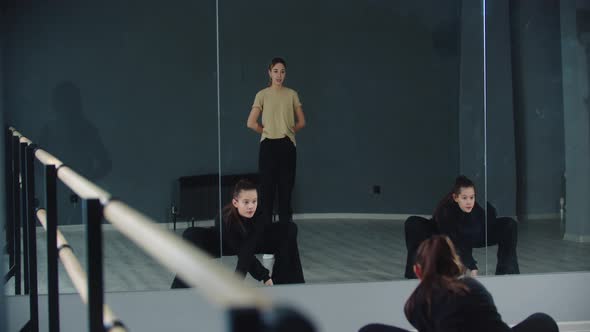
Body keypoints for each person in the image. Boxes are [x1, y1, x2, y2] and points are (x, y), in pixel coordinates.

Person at [359, 235, 558, 332]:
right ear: (455, 265)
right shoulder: (473, 287)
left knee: (370, 330)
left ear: (418, 270)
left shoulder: (414, 304)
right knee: (543, 320)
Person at [404, 175, 519, 279]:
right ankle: (415, 275)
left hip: (473, 234)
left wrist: (490, 213)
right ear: (455, 197)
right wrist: (471, 265)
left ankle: (507, 273)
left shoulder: (474, 207)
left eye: (472, 197)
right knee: (413, 223)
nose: (469, 202)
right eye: (464, 198)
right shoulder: (446, 211)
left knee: (509, 224)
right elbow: (454, 238)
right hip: (447, 235)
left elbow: (483, 224)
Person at [247, 57, 306, 226]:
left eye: (282, 71)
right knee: (267, 195)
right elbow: (251, 123)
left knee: (285, 194)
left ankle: (285, 244)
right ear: (269, 73)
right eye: (275, 71)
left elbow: (302, 122)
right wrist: (266, 130)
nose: (279, 75)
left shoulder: (292, 94)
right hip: (268, 148)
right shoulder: (262, 95)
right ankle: (267, 245)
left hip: (287, 147)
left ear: (285, 74)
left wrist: (288, 132)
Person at [222, 179, 305, 285]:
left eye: (254, 201)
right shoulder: (225, 219)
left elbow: (252, 242)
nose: (251, 206)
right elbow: (244, 252)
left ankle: (288, 282)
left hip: (253, 242)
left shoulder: (260, 213)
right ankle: (285, 284)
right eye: (246, 202)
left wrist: (266, 277)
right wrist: (263, 276)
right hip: (229, 244)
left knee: (289, 229)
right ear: (235, 202)